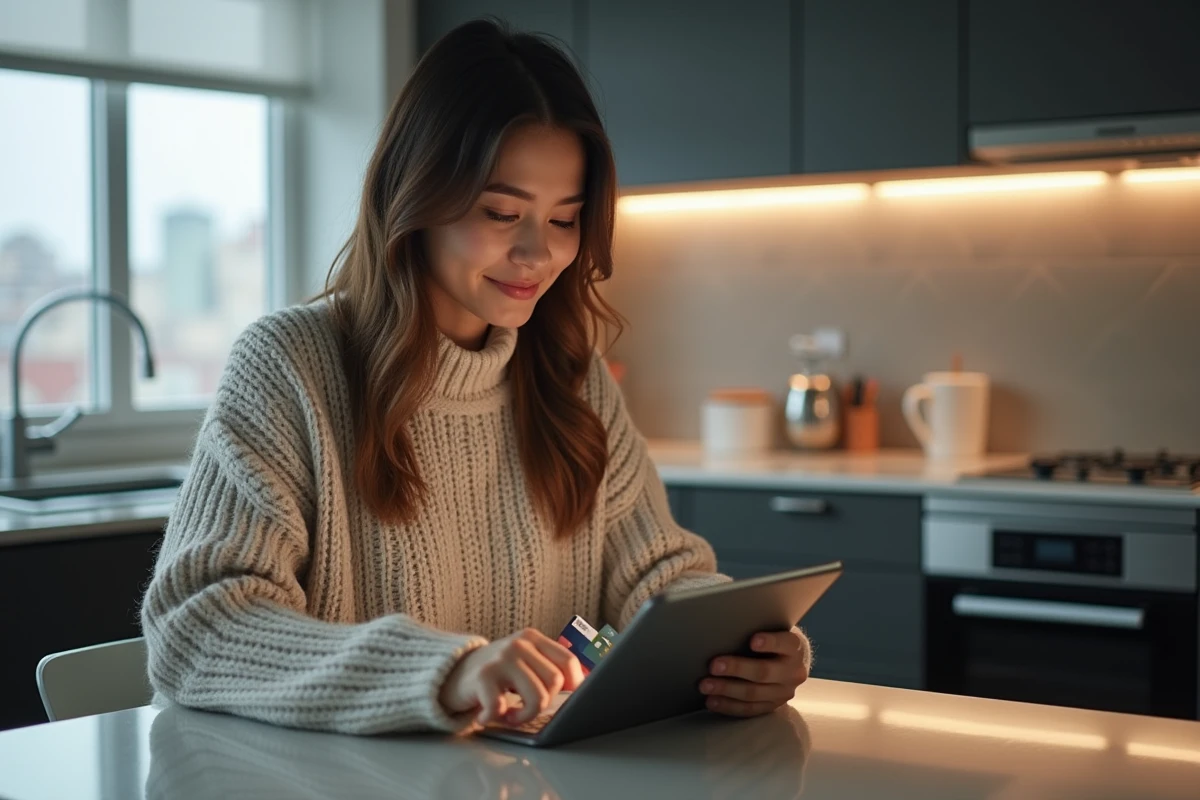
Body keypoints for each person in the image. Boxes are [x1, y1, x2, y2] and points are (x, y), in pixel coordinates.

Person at [140, 18, 812, 736]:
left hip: (517, 779)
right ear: (416, 196)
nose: (536, 253)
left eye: (564, 220)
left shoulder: (573, 377)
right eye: (501, 212)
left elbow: (656, 574)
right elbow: (196, 627)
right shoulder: (289, 366)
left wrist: (742, 648)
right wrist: (445, 672)